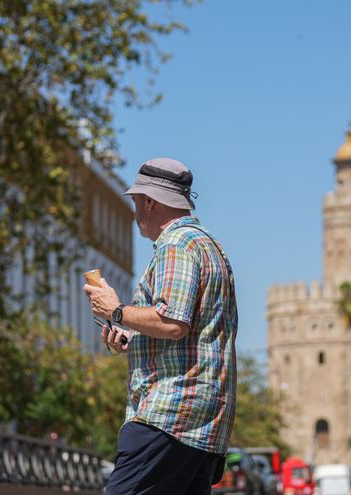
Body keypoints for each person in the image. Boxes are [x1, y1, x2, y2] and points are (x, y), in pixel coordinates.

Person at [84, 157, 237, 495]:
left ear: (150, 202)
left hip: (169, 414)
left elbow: (172, 323)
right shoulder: (211, 248)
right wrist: (129, 336)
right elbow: (191, 327)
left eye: (137, 202)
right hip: (204, 421)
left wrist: (117, 310)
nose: (136, 212)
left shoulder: (176, 246)